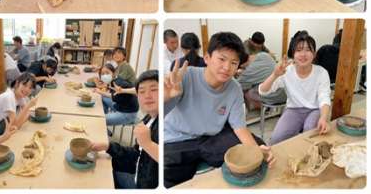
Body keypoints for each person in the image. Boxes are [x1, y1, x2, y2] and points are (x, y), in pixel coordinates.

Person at [164, 32, 274, 188]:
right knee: (168, 178)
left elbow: (239, 127)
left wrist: (256, 151)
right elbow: (158, 114)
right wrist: (166, 97)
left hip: (211, 138)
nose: (227, 67)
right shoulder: (186, 76)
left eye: (234, 62)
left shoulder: (234, 88)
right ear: (207, 58)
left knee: (258, 148)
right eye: (222, 59)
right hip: (177, 140)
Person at [259, 31, 331, 145]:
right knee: (276, 139)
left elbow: (324, 97)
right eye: (299, 50)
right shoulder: (286, 71)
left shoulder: (321, 73)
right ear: (293, 54)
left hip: (315, 109)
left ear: (314, 54)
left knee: (309, 132)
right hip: (293, 110)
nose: (303, 54)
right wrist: (275, 75)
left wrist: (323, 117)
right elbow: (263, 91)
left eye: (308, 50)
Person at [90, 70, 159, 188]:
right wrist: (108, 146)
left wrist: (148, 144)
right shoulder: (149, 119)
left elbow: (172, 164)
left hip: (142, 184)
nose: (147, 95)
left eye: (154, 89)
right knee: (102, 165)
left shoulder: (168, 125)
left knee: (100, 178)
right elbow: (137, 154)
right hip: (137, 169)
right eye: (142, 91)